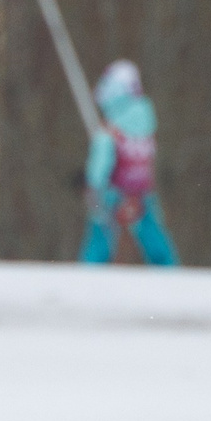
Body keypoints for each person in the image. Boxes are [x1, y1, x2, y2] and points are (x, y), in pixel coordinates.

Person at [80, 59, 179, 266]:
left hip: (111, 192)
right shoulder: (145, 123)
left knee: (100, 241)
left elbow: (100, 164)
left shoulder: (110, 130)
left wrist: (92, 182)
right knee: (154, 241)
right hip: (141, 192)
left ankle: (88, 277)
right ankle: (170, 275)